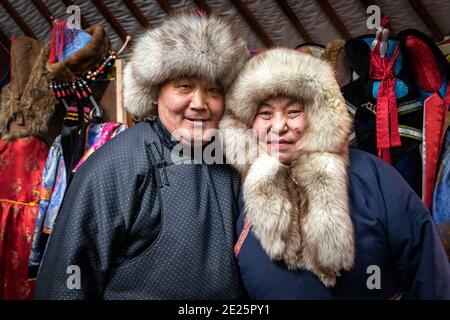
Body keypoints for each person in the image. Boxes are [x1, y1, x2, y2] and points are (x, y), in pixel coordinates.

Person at [34, 13, 248, 299]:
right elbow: (65, 279)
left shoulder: (232, 164)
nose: (199, 103)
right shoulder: (114, 166)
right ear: (156, 91)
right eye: (184, 86)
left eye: (213, 90)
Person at [219, 48, 450, 299]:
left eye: (293, 111)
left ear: (317, 115)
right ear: (247, 124)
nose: (278, 126)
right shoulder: (236, 193)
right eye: (264, 114)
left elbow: (426, 268)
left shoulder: (370, 175)